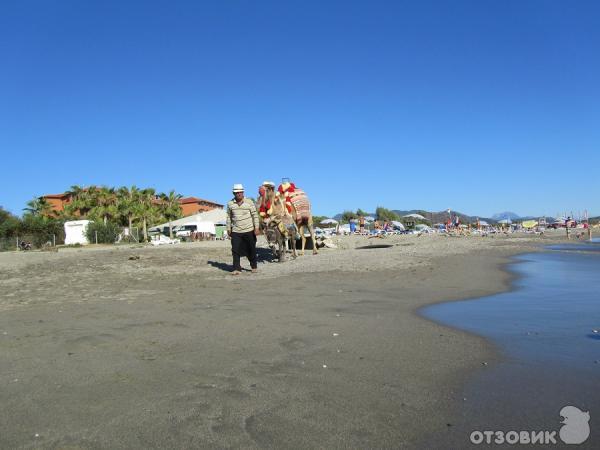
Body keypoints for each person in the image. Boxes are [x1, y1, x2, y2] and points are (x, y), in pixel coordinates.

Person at [227, 184, 260, 275]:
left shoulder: (249, 202)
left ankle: (254, 266)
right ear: (234, 193)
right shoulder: (230, 204)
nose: (239, 194)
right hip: (236, 231)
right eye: (237, 192)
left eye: (240, 192)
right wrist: (228, 228)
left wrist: (256, 228)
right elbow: (228, 217)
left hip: (249, 230)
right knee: (235, 250)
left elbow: (255, 215)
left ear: (243, 192)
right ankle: (237, 268)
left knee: (251, 249)